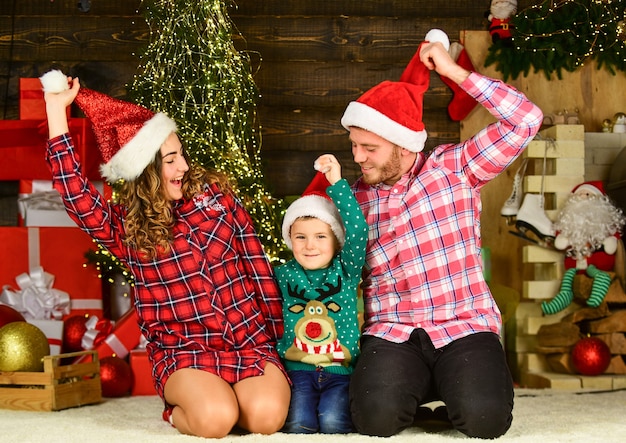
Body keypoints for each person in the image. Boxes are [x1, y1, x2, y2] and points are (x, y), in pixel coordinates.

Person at [40, 70, 290, 438]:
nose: (184, 166)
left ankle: (233, 394)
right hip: (184, 351)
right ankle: (179, 412)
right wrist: (56, 110)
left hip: (247, 340)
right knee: (216, 421)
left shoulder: (215, 196)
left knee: (266, 419)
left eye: (182, 155)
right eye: (170, 159)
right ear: (146, 172)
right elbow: (75, 194)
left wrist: (275, 336)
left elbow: (255, 261)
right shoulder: (126, 229)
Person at [340, 29, 544, 439]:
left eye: (369, 148)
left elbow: (526, 119)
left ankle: (462, 391)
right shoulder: (355, 198)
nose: (357, 157)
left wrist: (454, 72)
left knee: (485, 421)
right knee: (374, 420)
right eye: (354, 145)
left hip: (463, 326)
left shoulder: (456, 169)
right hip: (393, 331)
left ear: (403, 145)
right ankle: (413, 394)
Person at [275, 154, 368, 434]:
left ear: (336, 239)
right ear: (290, 239)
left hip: (340, 373)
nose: (309, 245)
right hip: (298, 371)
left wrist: (337, 184)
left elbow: (359, 230)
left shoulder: (346, 270)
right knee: (299, 423)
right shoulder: (282, 275)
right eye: (300, 237)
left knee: (331, 422)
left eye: (320, 236)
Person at [542, 181, 625, 315]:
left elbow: (613, 236)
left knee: (600, 275)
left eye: (588, 194)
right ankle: (564, 296)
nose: (583, 197)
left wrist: (611, 241)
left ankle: (597, 296)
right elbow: (561, 239)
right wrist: (563, 239)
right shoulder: (570, 224)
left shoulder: (603, 223)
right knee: (567, 279)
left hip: (596, 266)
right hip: (575, 266)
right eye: (580, 194)